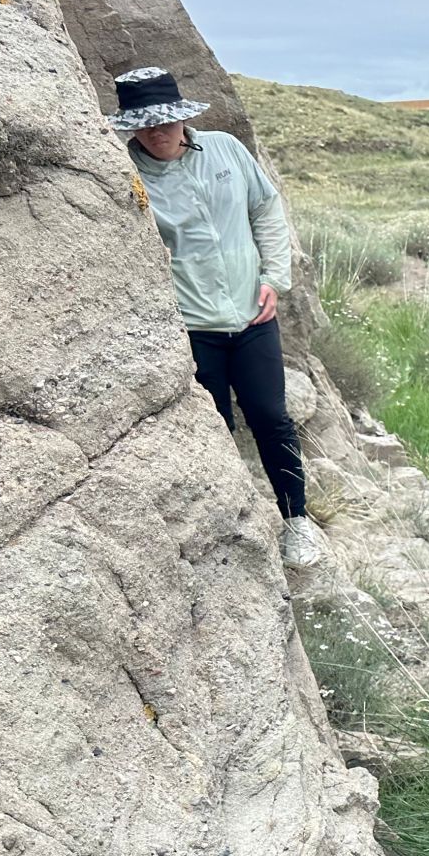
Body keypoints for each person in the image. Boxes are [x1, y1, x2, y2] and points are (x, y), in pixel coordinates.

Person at [115, 66, 326, 569]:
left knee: (272, 418)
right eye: (144, 124)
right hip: (192, 327)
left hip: (253, 316)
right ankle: (233, 526)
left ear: (182, 117)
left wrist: (274, 278)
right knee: (214, 427)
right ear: (132, 127)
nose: (157, 132)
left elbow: (266, 209)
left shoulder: (226, 149)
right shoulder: (126, 173)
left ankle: (296, 521)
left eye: (165, 121)